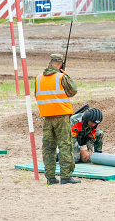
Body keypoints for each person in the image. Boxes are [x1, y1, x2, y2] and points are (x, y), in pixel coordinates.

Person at [35, 53, 80, 185]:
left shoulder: (38, 78)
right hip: (61, 116)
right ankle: (66, 176)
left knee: (48, 147)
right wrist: (66, 75)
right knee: (65, 145)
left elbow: (37, 95)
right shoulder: (61, 77)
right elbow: (73, 91)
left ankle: (50, 177)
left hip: (47, 117)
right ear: (61, 65)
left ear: (49, 63)